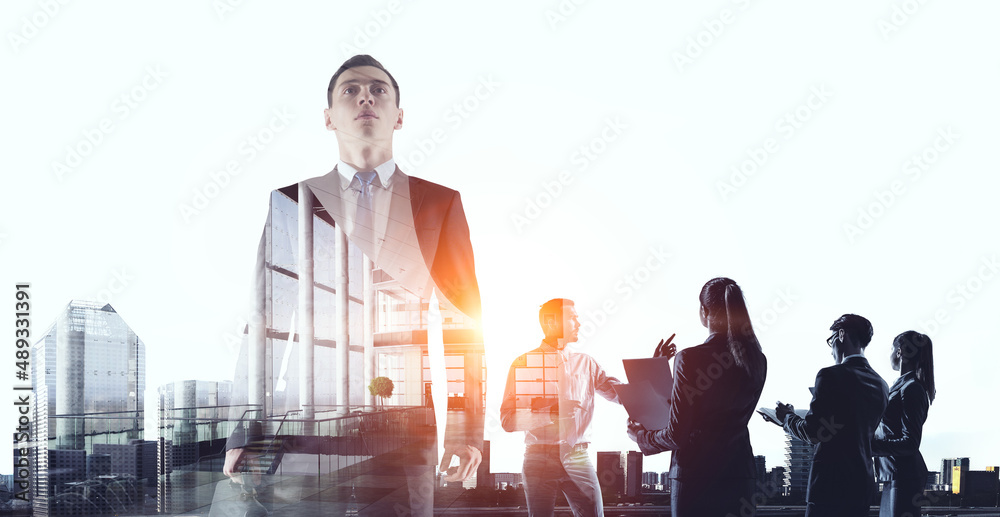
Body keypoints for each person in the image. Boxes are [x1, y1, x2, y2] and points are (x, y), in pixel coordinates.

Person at [221, 55, 483, 516]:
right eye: (351, 90)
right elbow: (264, 320)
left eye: (379, 89)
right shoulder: (290, 202)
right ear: (328, 118)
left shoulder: (440, 203)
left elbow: (466, 325)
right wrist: (245, 431)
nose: (366, 96)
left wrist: (465, 432)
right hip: (310, 420)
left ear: (399, 116)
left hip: (407, 426)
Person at [627, 277, 767, 517]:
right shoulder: (757, 360)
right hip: (740, 476)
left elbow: (676, 433)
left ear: (704, 311)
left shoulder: (689, 359)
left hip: (694, 477)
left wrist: (642, 437)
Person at [500, 298, 623, 517]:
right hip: (538, 457)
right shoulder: (523, 364)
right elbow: (508, 420)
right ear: (551, 323)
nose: (579, 322)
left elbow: (620, 395)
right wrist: (549, 413)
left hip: (577, 455)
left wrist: (653, 366)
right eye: (572, 317)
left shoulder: (587, 364)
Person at [772, 314, 889, 517]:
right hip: (862, 486)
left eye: (831, 340)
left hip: (829, 487)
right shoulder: (881, 384)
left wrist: (786, 418)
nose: (831, 348)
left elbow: (814, 433)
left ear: (841, 335)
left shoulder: (830, 375)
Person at [872, 331, 935, 517]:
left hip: (904, 476)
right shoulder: (901, 386)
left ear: (899, 352)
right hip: (894, 474)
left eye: (891, 349)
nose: (889, 354)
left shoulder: (911, 388)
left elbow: (910, 442)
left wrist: (870, 446)